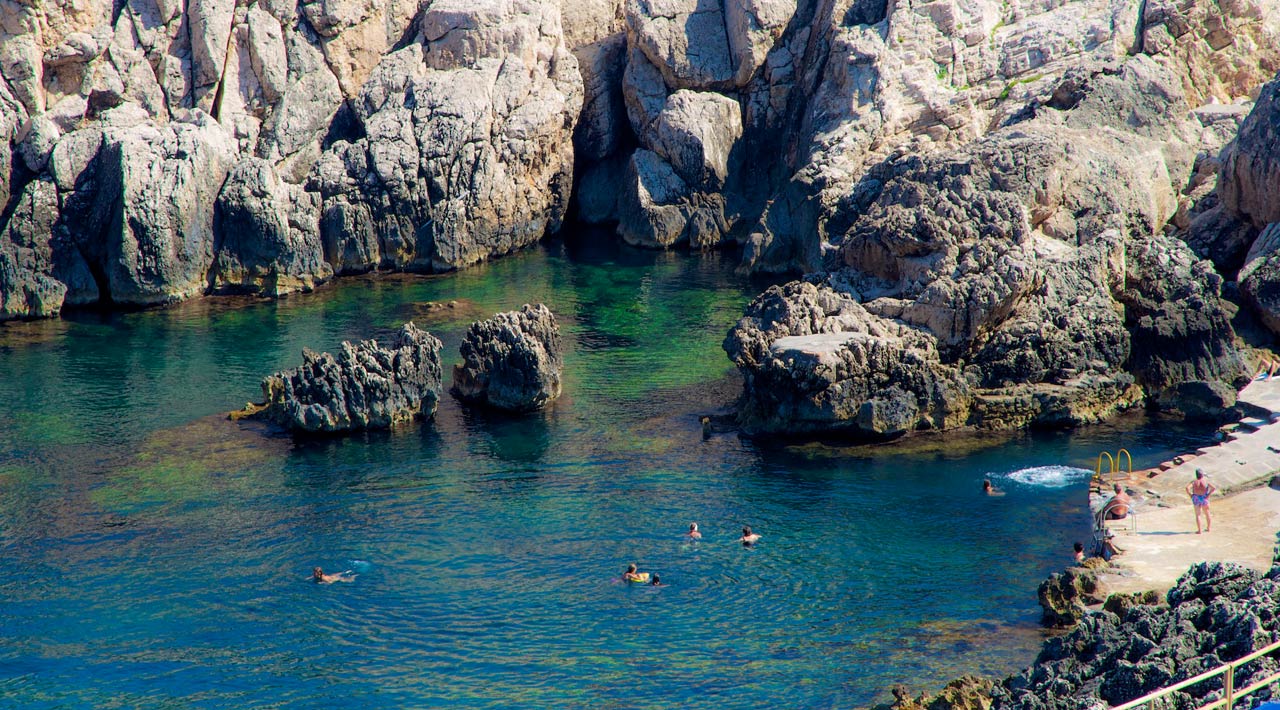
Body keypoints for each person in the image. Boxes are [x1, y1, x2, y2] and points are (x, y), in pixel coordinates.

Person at [1186, 469, 1217, 534]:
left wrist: (1190, 495)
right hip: (1204, 497)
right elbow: (1213, 488)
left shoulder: (1194, 482)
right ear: (1202, 474)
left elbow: (1187, 488)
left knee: (1198, 515)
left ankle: (1199, 530)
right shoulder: (1206, 481)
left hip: (1196, 497)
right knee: (1207, 513)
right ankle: (1208, 528)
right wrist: (1208, 495)